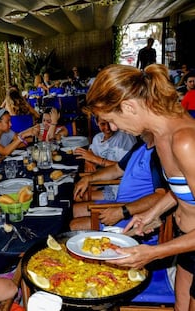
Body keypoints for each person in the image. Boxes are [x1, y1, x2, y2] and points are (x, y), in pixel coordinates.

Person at [85, 63, 195, 310]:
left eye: (111, 120)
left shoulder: (185, 141)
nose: (113, 128)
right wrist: (151, 214)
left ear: (129, 107)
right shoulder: (162, 138)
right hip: (187, 242)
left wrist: (155, 252)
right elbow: (183, 188)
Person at [70, 134, 167, 233]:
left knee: (75, 225)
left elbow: (161, 195)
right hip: (122, 204)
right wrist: (89, 178)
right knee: (74, 209)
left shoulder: (158, 154)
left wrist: (122, 211)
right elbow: (117, 169)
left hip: (136, 214)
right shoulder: (141, 145)